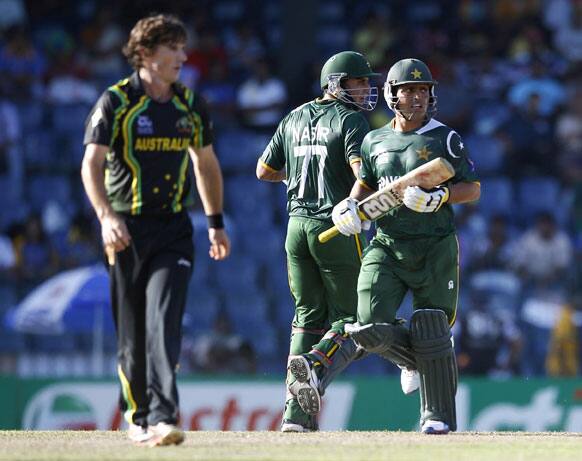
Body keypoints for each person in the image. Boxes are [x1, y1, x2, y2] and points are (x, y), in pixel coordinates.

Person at [81, 14, 230, 446]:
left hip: (174, 230)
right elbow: (91, 164)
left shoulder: (189, 104)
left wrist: (215, 222)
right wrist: (106, 218)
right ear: (145, 53)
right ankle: (139, 417)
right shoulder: (116, 102)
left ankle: (165, 417)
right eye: (174, 47)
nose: (183, 56)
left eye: (184, 47)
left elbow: (205, 164)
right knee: (132, 333)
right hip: (125, 231)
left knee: (164, 322)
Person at [325, 58, 480, 434]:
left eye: (423, 90)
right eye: (408, 90)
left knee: (432, 325)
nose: (417, 97)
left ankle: (437, 418)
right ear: (392, 95)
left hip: (434, 246)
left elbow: (473, 188)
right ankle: (412, 361)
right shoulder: (374, 140)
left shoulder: (445, 138)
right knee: (368, 325)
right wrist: (348, 206)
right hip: (388, 243)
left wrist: (439, 197)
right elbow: (366, 184)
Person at [256, 51, 379, 432]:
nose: (365, 90)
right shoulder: (351, 120)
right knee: (356, 319)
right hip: (334, 227)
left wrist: (301, 175)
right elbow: (364, 171)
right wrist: (355, 198)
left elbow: (264, 170)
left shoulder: (293, 116)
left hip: (295, 227)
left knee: (307, 318)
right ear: (336, 84)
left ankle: (296, 417)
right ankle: (312, 364)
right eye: (358, 83)